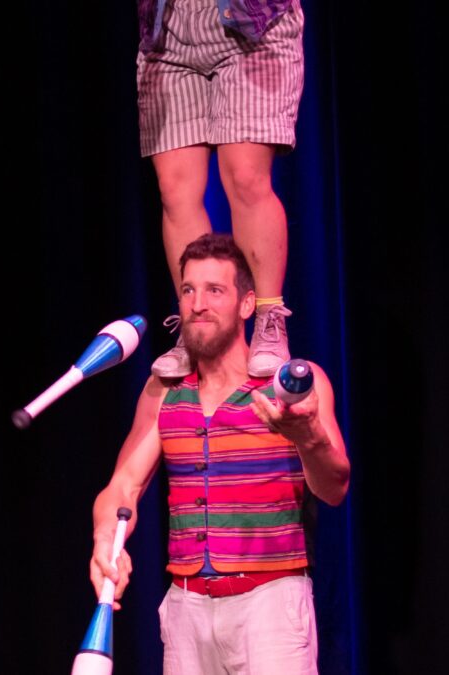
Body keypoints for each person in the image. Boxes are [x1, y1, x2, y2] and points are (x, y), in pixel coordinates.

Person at [89, 233, 349, 673]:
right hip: (187, 607)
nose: (197, 304)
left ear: (248, 305)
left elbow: (335, 488)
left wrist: (306, 435)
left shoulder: (293, 385)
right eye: (188, 290)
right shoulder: (164, 392)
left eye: (215, 291)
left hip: (270, 606)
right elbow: (122, 487)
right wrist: (103, 541)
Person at [136, 0, 306, 379]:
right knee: (174, 189)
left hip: (251, 27)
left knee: (246, 177)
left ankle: (268, 317)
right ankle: (195, 324)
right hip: (170, 33)